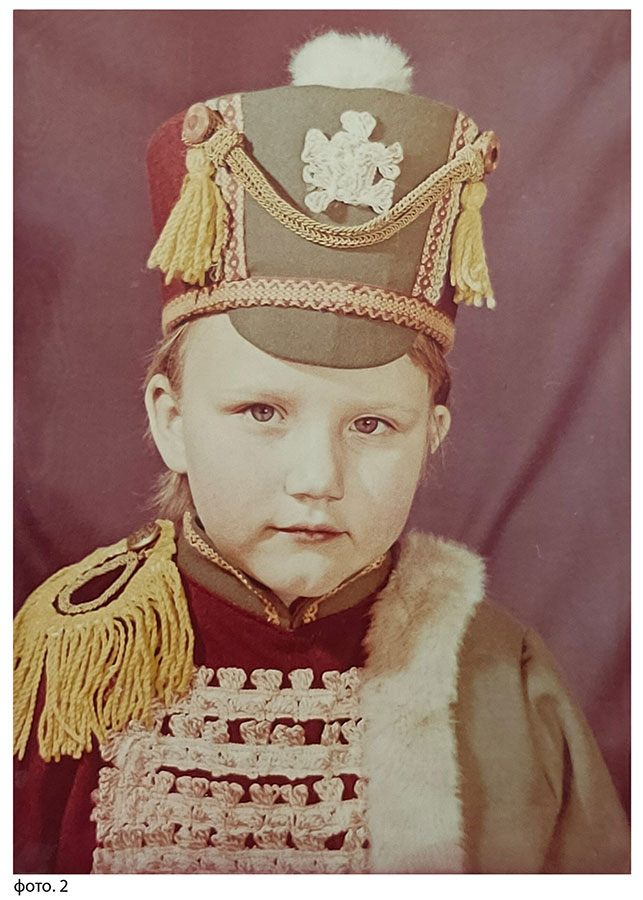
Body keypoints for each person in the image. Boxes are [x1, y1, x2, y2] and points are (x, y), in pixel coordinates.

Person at [13, 31, 629, 875]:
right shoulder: (62, 671)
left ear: (432, 438)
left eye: (372, 426)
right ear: (171, 419)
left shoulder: (506, 683)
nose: (317, 480)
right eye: (261, 411)